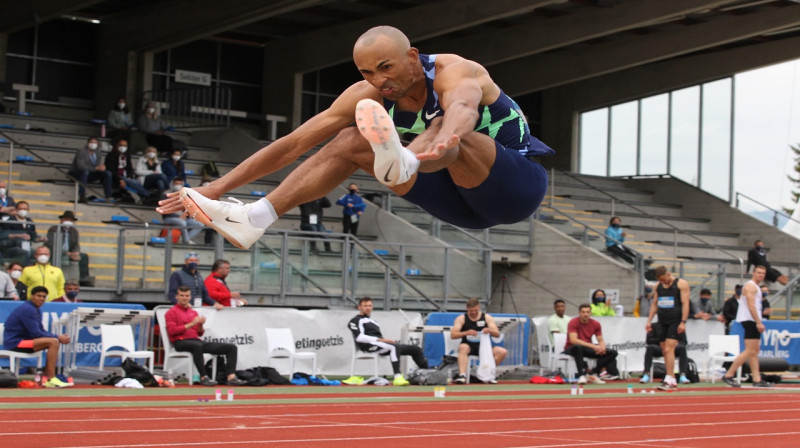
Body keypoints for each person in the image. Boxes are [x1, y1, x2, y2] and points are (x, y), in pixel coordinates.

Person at [158, 26, 552, 251]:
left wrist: (439, 139)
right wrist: (216, 186)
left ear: (412, 57)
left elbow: (463, 111)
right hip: (455, 203)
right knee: (348, 140)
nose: (380, 81)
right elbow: (293, 144)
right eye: (367, 72)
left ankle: (406, 159)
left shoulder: (454, 71)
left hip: (514, 187)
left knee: (451, 127)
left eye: (386, 67)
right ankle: (255, 218)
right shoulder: (367, 95)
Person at [165, 285, 247, 386]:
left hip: (195, 341)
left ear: (190, 297)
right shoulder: (171, 312)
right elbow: (172, 331)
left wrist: (200, 325)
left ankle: (231, 377)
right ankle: (203, 377)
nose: (184, 298)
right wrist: (191, 324)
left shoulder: (193, 312)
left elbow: (199, 333)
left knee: (231, 348)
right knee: (197, 346)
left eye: (187, 295)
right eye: (182, 295)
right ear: (176, 297)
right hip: (180, 342)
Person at [2, 285, 72, 387]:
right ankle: (51, 378)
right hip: (15, 343)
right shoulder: (28, 309)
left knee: (54, 342)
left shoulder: (35, 309)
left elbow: (41, 331)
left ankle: (47, 378)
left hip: (24, 341)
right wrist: (58, 337)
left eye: (44, 297)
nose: (42, 299)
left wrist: (57, 337)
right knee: (53, 341)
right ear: (31, 296)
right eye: (39, 296)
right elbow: (36, 334)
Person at [348, 297, 427, 386]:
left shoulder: (374, 322)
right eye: (365, 306)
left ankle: (427, 373)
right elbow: (359, 337)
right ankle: (397, 377)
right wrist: (381, 340)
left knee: (415, 349)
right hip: (368, 346)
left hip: (381, 344)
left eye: (370, 306)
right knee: (394, 346)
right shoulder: (355, 320)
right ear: (359, 307)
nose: (368, 308)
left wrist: (383, 341)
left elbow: (380, 339)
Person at [722, 266, 770, 387]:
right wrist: (758, 321)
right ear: (753, 273)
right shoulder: (750, 286)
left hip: (751, 319)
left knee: (754, 351)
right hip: (749, 319)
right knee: (750, 350)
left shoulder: (756, 287)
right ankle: (729, 374)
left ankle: (756, 379)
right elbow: (751, 305)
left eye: (763, 273)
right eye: (759, 272)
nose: (761, 275)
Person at [645, 266, 690, 391]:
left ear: (668, 274)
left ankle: (669, 377)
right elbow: (654, 303)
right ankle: (670, 378)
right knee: (665, 350)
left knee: (670, 348)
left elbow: (686, 303)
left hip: (675, 320)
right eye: (661, 280)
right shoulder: (658, 286)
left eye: (665, 279)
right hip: (662, 320)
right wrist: (649, 321)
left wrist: (683, 322)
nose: (663, 282)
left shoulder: (681, 284)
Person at [450, 298, 507, 384]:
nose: (473, 313)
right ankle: (462, 375)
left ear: (479, 307)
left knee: (502, 351)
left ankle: (488, 372)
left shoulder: (487, 317)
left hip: (484, 346)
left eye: (475, 310)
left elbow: (497, 333)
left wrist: (489, 330)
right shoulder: (461, 318)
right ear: (467, 309)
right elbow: (453, 335)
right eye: (471, 311)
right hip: (469, 346)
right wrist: (466, 332)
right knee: (463, 347)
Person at [564, 304, 620, 384]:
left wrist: (602, 347)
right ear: (579, 313)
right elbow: (573, 340)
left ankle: (592, 373)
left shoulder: (596, 324)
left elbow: (600, 339)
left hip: (586, 348)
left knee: (613, 352)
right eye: (583, 312)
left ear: (590, 313)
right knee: (578, 347)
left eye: (587, 312)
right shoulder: (573, 322)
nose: (585, 314)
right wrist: (594, 346)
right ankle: (581, 376)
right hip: (571, 348)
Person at [45, 210, 91, 286]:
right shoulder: (54, 229)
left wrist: (76, 253)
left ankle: (83, 279)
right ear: (61, 220)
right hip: (55, 251)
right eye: (66, 219)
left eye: (70, 220)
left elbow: (76, 244)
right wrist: (66, 253)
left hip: (69, 252)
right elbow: (51, 244)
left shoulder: (74, 231)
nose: (68, 221)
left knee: (83, 257)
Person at [68, 136, 113, 203]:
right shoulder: (81, 151)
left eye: (95, 143)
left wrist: (101, 168)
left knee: (107, 173)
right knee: (85, 171)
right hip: (77, 173)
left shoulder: (98, 153)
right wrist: (95, 168)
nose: (93, 144)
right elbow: (81, 166)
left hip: (90, 173)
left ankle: (108, 196)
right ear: (87, 143)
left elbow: (97, 165)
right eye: (91, 142)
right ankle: (82, 195)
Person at [105, 139, 152, 203]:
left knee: (134, 182)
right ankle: (148, 196)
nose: (122, 147)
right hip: (116, 178)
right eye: (121, 145)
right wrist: (120, 179)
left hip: (126, 178)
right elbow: (111, 170)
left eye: (125, 146)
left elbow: (129, 169)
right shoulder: (111, 155)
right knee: (135, 183)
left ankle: (144, 198)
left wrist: (129, 177)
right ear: (117, 146)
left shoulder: (127, 156)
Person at [161, 178, 204, 245]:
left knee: (199, 225)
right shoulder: (166, 194)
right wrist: (178, 216)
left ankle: (184, 239)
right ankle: (186, 241)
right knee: (182, 223)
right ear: (172, 184)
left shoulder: (185, 195)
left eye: (180, 184)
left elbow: (189, 207)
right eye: (176, 184)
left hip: (183, 218)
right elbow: (165, 208)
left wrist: (186, 214)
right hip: (169, 217)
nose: (178, 186)